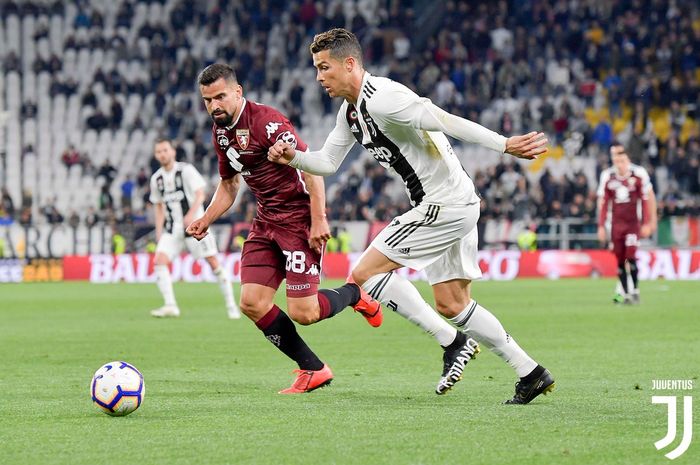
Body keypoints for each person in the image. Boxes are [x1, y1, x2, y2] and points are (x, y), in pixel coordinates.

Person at [268, 28, 554, 404]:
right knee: (452, 303)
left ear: (350, 63)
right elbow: (327, 162)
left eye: (324, 68)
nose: (319, 77)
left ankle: (453, 343)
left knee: (364, 276)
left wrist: (503, 145)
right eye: (317, 69)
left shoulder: (384, 97)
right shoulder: (350, 112)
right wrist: (294, 158)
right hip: (457, 202)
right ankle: (530, 372)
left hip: (443, 204)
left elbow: (443, 119)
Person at [186, 64, 381, 394]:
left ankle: (354, 294)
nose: (214, 106)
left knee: (304, 313)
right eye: (207, 100)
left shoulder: (267, 122)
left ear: (238, 92)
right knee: (251, 302)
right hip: (265, 221)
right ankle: (313, 369)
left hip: (297, 220)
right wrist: (206, 219)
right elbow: (229, 184)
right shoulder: (220, 132)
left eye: (220, 97)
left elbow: (312, 170)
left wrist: (319, 219)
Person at [149, 138, 240, 320]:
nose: (162, 154)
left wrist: (191, 214)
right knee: (159, 261)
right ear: (155, 155)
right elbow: (158, 205)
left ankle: (231, 305)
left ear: (173, 151)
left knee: (213, 263)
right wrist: (159, 230)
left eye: (165, 150)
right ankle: (170, 306)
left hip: (196, 228)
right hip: (172, 229)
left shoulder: (186, 170)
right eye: (159, 151)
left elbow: (200, 193)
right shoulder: (156, 179)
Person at [597, 142, 657, 304]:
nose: (616, 159)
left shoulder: (638, 174)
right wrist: (601, 225)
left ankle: (629, 292)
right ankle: (623, 292)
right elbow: (602, 203)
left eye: (618, 155)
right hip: (614, 225)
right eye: (613, 156)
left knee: (630, 257)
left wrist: (650, 221)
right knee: (620, 259)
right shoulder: (607, 176)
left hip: (632, 224)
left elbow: (648, 198)